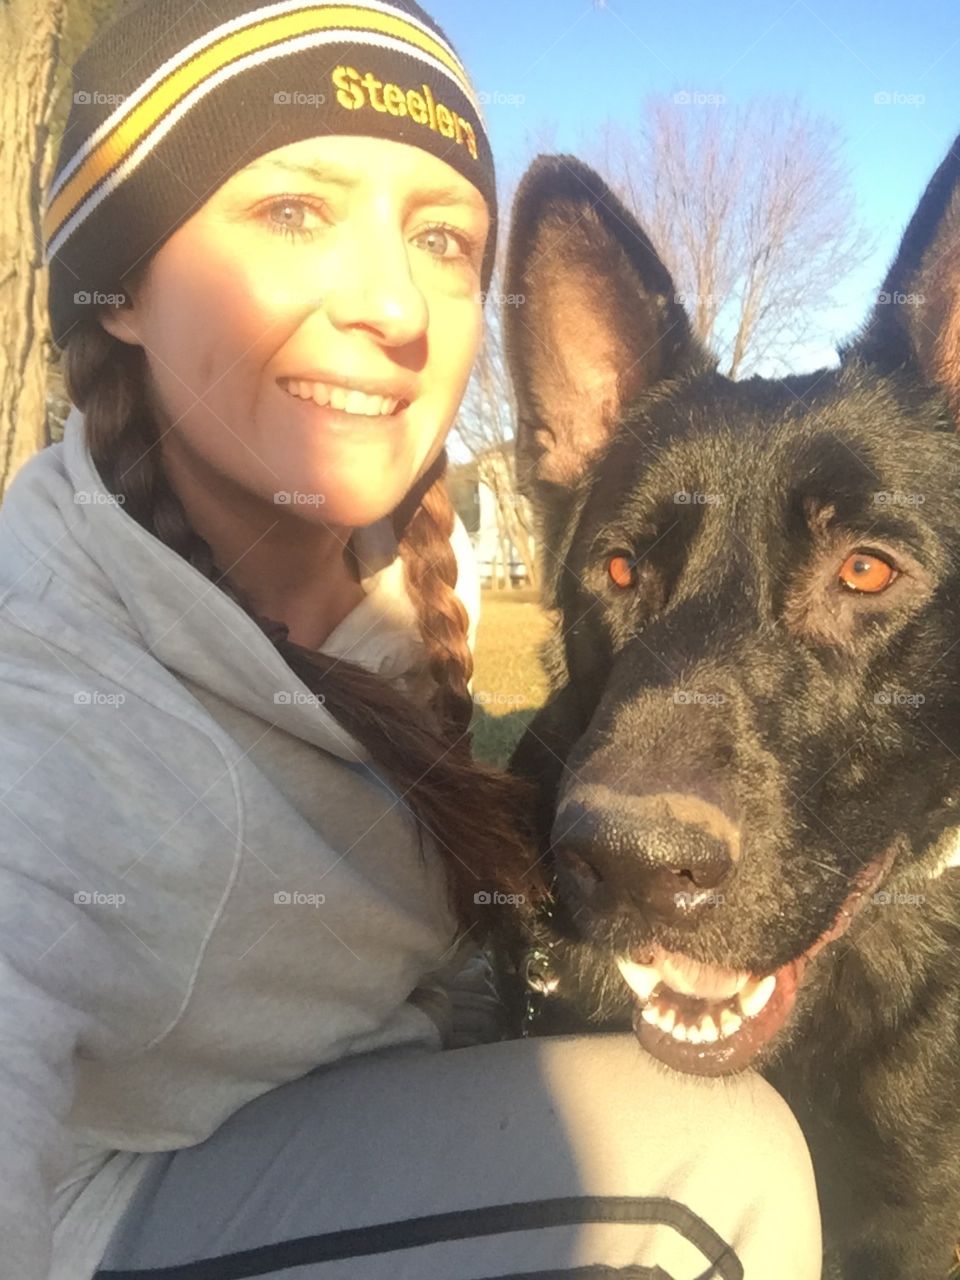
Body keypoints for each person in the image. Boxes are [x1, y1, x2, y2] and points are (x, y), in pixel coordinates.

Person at [0, 0, 823, 1276]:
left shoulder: (395, 601)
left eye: (442, 237)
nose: (394, 303)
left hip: (334, 1124)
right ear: (120, 290)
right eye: (292, 212)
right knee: (718, 1164)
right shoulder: (46, 689)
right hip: (96, 1213)